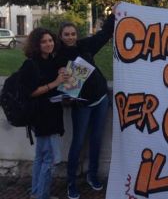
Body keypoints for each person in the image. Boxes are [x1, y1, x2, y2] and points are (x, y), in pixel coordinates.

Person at [58, 12, 115, 199]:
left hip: (100, 99)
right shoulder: (57, 55)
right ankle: (71, 182)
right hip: (81, 104)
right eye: (66, 34)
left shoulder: (84, 45)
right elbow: (48, 76)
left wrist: (114, 14)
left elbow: (104, 33)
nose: (70, 37)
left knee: (96, 139)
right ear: (61, 36)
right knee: (78, 142)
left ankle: (92, 175)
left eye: (73, 33)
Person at [20, 28, 67, 199]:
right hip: (41, 116)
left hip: (51, 113)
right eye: (43, 41)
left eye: (50, 40)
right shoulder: (31, 64)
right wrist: (55, 83)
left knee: (41, 157)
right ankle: (42, 195)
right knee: (51, 159)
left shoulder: (50, 60)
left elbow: (60, 67)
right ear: (36, 45)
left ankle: (36, 193)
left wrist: (61, 72)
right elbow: (30, 92)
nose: (48, 44)